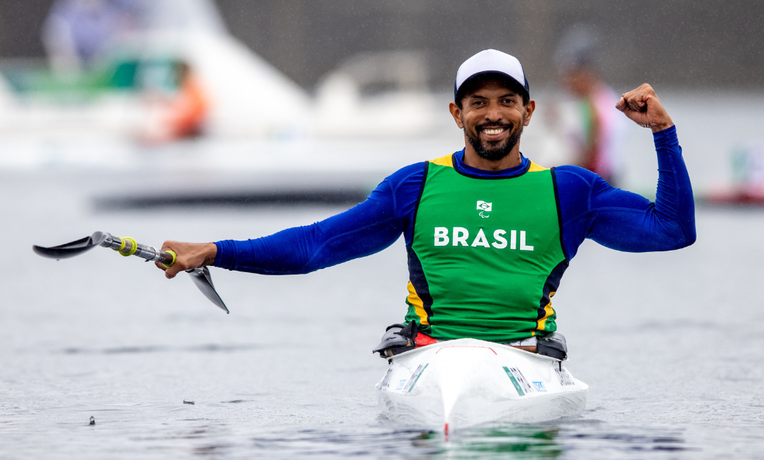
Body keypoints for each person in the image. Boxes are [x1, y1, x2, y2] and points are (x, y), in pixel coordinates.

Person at [155, 49, 696, 358]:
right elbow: (316, 245)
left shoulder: (571, 191)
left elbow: (672, 229)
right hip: (425, 356)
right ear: (457, 114)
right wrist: (215, 250)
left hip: (527, 358)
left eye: (507, 102)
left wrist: (663, 133)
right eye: (477, 103)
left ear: (528, 112)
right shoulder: (413, 187)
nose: (493, 114)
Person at [555, 26, 628, 186]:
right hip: (605, 180)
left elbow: (591, 158)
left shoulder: (595, 107)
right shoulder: (604, 97)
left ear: (586, 73)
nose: (565, 81)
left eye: (569, 74)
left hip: (598, 184)